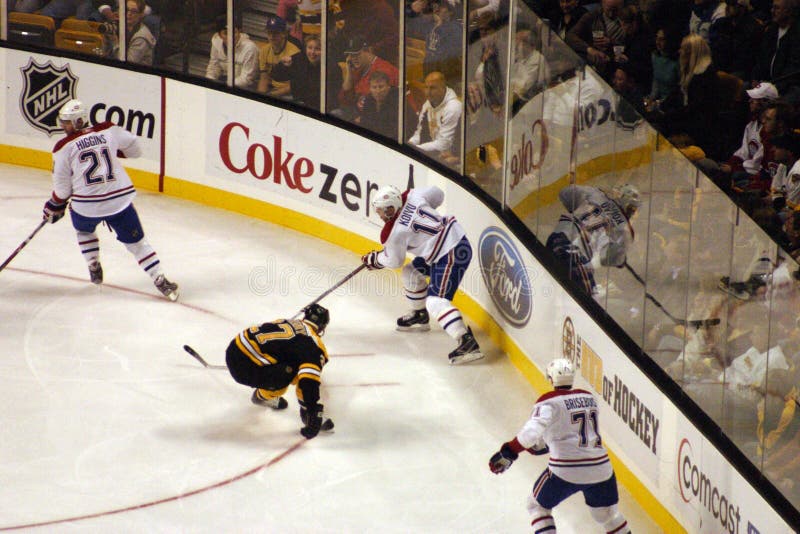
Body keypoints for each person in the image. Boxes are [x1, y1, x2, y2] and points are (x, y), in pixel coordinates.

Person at [42, 99, 178, 300]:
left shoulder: (62, 147)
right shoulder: (108, 129)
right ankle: (160, 279)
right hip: (119, 201)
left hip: (86, 206)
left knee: (83, 229)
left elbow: (62, 190)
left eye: (67, 122)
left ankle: (93, 263)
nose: (63, 126)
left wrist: (54, 205)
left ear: (79, 121)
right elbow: (135, 148)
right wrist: (117, 153)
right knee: (138, 244)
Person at [489, 358, 631, 534]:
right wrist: (542, 444)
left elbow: (532, 432)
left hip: (566, 471)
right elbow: (572, 434)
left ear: (551, 378)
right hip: (601, 469)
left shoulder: (549, 401)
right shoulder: (589, 398)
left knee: (536, 506)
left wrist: (509, 451)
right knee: (607, 515)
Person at [360, 185, 483, 364]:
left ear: (391, 208)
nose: (379, 215)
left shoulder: (393, 233)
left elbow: (394, 261)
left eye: (381, 211)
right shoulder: (413, 195)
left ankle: (466, 341)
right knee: (411, 272)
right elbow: (439, 194)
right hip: (453, 241)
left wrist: (375, 260)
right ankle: (420, 315)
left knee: (435, 301)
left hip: (451, 252)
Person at [225, 303, 333, 440]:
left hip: (233, 350)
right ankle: (265, 397)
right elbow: (308, 382)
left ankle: (266, 393)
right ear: (323, 327)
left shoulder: (287, 321)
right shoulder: (315, 345)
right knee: (294, 374)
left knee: (292, 362)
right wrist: (313, 410)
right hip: (246, 368)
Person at [545, 184, 640, 297]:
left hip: (558, 237)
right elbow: (613, 257)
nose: (634, 213)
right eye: (633, 210)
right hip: (573, 254)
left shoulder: (597, 197)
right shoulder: (622, 232)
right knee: (585, 299)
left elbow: (565, 193)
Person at [407, 71, 462, 165]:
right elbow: (419, 133)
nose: (428, 92)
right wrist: (410, 144)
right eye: (426, 87)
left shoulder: (453, 107)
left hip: (452, 159)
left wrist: (417, 149)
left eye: (432, 88)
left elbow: (444, 143)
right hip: (433, 154)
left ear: (443, 88)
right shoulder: (427, 104)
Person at [205, 16, 260, 92]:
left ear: (239, 32)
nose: (230, 37)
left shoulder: (250, 48)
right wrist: (209, 83)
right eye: (226, 33)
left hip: (246, 88)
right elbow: (213, 68)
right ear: (220, 35)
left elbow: (247, 79)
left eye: (234, 32)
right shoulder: (216, 42)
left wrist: (224, 87)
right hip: (228, 82)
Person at [258, 16, 301, 97]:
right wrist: (261, 96)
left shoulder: (295, 53)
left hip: (289, 93)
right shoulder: (264, 50)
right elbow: (264, 77)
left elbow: (296, 85)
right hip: (272, 89)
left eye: (275, 33)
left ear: (284, 33)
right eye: (269, 33)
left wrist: (272, 95)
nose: (271, 36)